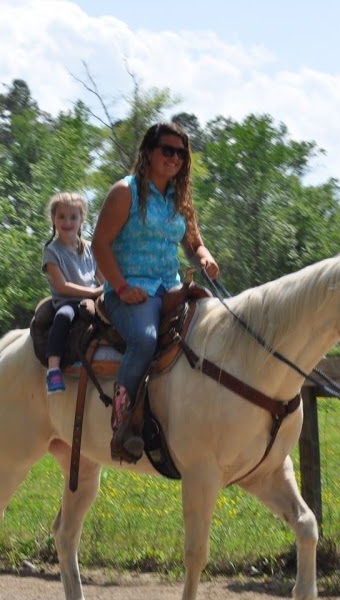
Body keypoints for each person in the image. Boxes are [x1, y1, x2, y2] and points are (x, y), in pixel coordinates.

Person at [92, 122, 219, 462]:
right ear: (148, 152)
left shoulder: (180, 198)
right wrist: (121, 287)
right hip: (130, 290)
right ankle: (122, 423)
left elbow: (194, 243)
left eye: (181, 153)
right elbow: (99, 244)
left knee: (212, 321)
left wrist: (205, 258)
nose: (174, 158)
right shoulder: (125, 192)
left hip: (170, 286)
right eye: (167, 150)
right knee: (145, 340)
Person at [42, 192, 104, 394]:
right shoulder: (52, 251)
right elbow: (61, 286)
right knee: (63, 317)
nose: (67, 222)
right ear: (53, 219)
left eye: (73, 217)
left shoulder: (90, 248)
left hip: (92, 299)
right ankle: (53, 369)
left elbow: (102, 276)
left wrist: (112, 288)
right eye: (61, 216)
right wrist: (93, 291)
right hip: (68, 301)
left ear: (81, 220)